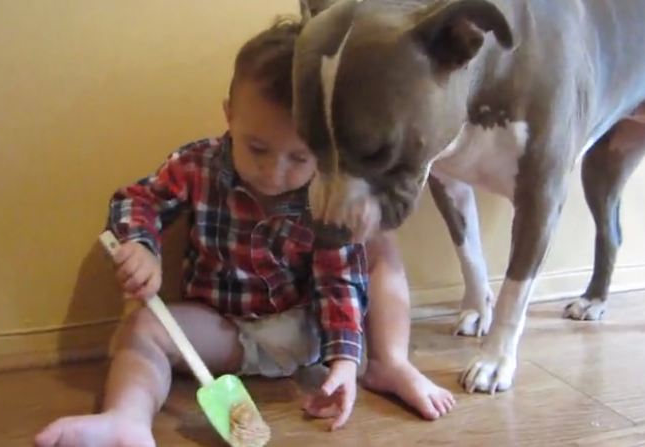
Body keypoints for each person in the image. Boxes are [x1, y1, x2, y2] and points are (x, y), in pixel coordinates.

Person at [34, 18, 454, 447]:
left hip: (304, 331)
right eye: (257, 148)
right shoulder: (198, 164)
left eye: (299, 157)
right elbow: (137, 200)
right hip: (222, 330)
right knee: (143, 327)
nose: (274, 171)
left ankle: (391, 363)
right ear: (230, 115)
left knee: (377, 244)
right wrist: (141, 247)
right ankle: (125, 418)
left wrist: (344, 361)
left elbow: (338, 280)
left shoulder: (325, 192)